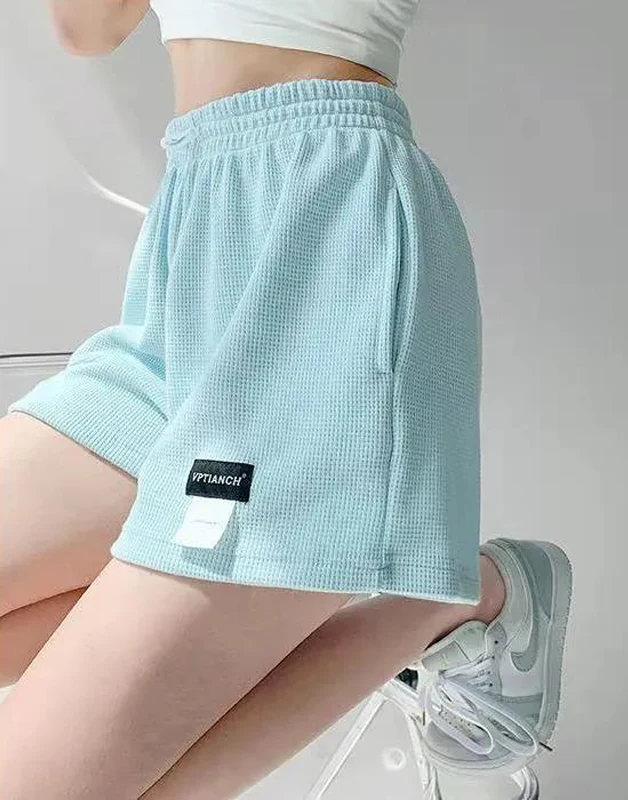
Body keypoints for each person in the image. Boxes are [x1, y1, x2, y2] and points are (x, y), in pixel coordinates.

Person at [0, 1, 572, 796]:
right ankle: (223, 612)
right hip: (193, 245)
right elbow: (87, 29)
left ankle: (468, 601)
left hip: (325, 233)